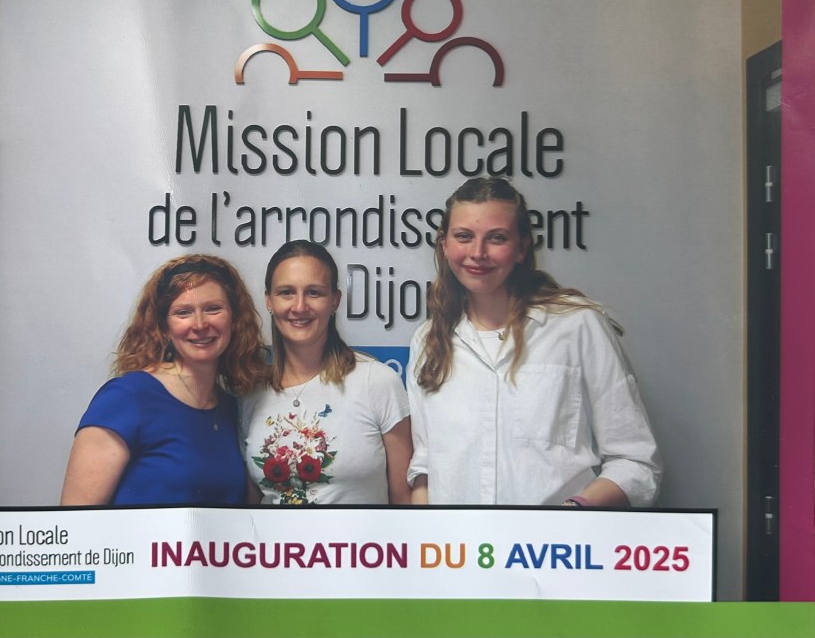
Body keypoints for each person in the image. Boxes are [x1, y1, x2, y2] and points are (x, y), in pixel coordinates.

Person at [407, 177, 661, 507]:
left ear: (523, 247)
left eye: (497, 238)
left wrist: (571, 514)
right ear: (444, 244)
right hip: (455, 541)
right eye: (464, 236)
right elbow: (425, 468)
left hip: (558, 539)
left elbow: (636, 463)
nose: (477, 253)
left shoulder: (577, 325)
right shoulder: (428, 340)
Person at [60, 254, 267, 506]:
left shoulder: (231, 408)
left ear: (234, 319)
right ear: (164, 327)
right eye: (183, 312)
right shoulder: (126, 398)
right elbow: (76, 520)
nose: (200, 324)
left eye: (213, 309)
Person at [239, 240, 413, 505]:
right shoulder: (250, 394)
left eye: (314, 293)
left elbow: (406, 502)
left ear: (335, 301)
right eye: (286, 292)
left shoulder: (377, 382)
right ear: (269, 301)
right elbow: (249, 509)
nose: (299, 306)